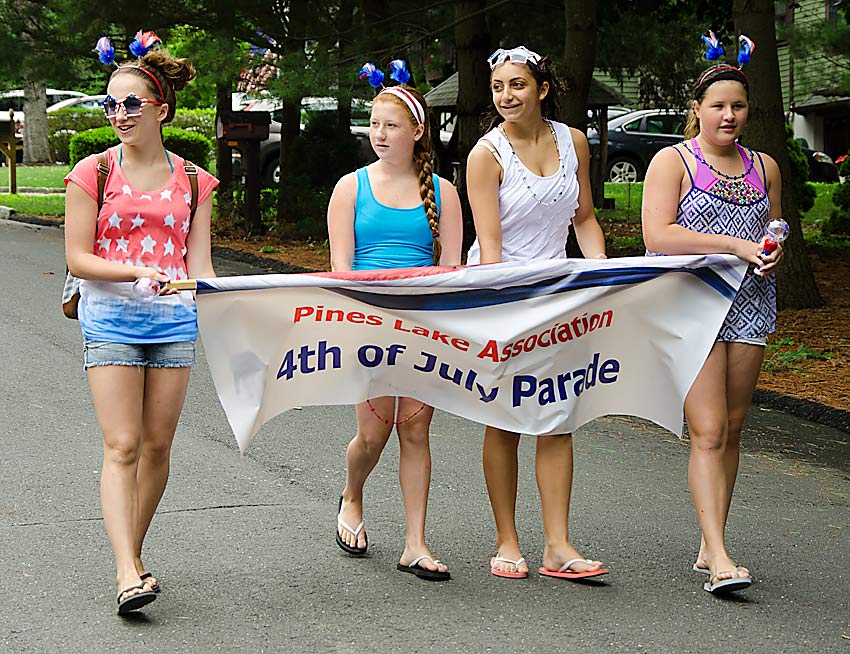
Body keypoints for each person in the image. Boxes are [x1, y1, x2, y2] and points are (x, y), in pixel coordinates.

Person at [64, 33, 218, 614]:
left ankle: (133, 552)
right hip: (110, 320)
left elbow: (198, 265)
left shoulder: (197, 182)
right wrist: (133, 270)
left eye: (131, 104)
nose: (119, 114)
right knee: (122, 444)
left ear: (161, 108)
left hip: (174, 323)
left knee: (157, 447)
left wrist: (225, 295)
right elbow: (77, 258)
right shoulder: (93, 171)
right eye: (110, 104)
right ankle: (128, 569)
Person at [641, 34, 783, 595]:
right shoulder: (671, 161)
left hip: (750, 304)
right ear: (696, 110)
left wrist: (770, 247)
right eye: (717, 105)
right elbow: (658, 234)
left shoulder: (765, 166)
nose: (728, 115)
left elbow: (773, 227)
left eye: (738, 105)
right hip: (691, 305)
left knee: (736, 426)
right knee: (708, 428)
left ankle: (710, 540)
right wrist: (736, 247)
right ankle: (721, 558)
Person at [466, 46, 608, 580]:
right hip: (501, 293)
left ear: (542, 89)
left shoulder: (573, 142)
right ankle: (507, 540)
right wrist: (507, 314)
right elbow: (491, 246)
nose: (507, 96)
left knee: (556, 415)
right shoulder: (487, 155)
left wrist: (599, 274)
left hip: (559, 292)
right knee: (504, 416)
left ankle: (558, 545)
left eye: (518, 85)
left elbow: (585, 218)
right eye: (499, 87)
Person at [327, 66, 463, 581]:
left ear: (417, 132)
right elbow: (341, 268)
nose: (379, 134)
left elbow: (452, 269)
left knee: (417, 428)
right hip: (368, 323)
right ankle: (352, 495)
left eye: (391, 125)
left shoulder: (444, 193)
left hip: (424, 325)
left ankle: (415, 543)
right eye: (374, 123)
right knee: (374, 432)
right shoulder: (350, 188)